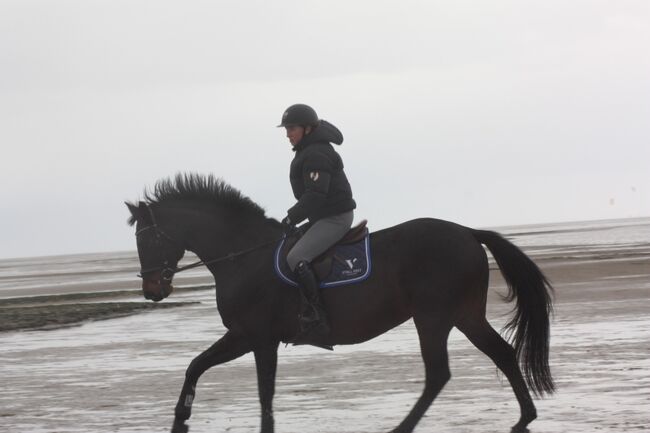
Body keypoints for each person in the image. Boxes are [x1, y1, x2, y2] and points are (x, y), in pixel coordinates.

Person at [278, 104, 356, 336]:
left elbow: (316, 194)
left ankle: (316, 314)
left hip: (335, 218)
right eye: (287, 129)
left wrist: (291, 216)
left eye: (292, 128)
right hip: (322, 216)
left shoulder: (316, 153)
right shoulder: (308, 150)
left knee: (296, 257)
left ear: (308, 129)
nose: (288, 134)